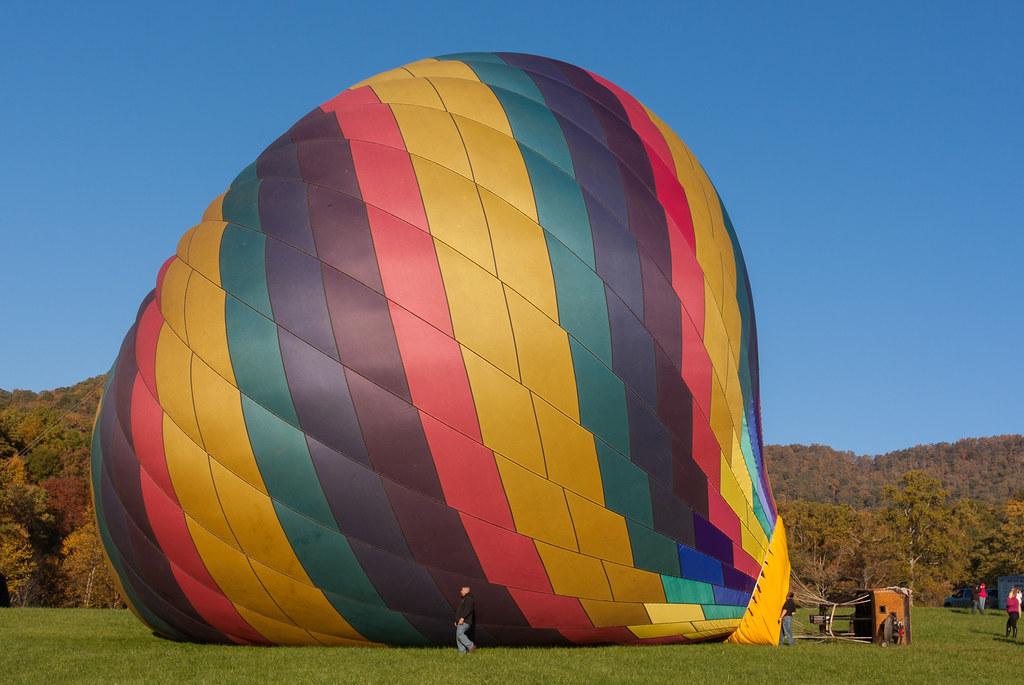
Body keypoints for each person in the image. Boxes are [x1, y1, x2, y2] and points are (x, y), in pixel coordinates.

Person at [454, 586, 477, 654]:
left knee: (460, 634)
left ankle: (471, 646)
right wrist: (457, 620)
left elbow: (468, 609)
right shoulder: (465, 599)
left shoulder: (469, 599)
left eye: (462, 590)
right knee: (458, 636)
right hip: (461, 620)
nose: (461, 591)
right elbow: (461, 611)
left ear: (466, 591)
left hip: (465, 621)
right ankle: (462, 652)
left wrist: (463, 618)